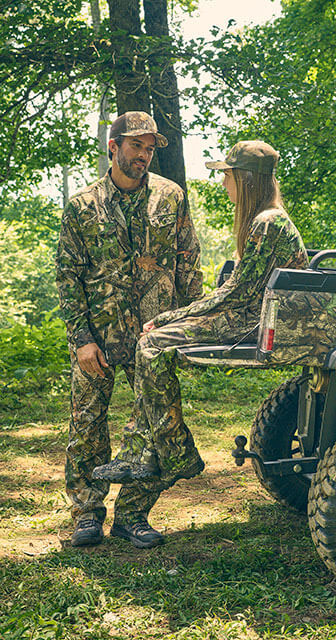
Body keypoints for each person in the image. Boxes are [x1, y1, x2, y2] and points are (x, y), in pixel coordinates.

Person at [93, 141, 308, 520]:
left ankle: (176, 452)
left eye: (226, 175)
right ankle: (139, 452)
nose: (223, 182)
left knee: (152, 344)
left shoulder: (266, 222)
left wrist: (169, 317)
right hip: (250, 314)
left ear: (245, 180)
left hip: (252, 321)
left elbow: (235, 293)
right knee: (151, 346)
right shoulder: (267, 219)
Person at [56, 111, 203, 549]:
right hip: (98, 336)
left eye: (151, 147)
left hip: (154, 338)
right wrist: (82, 339)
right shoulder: (83, 205)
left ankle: (133, 514)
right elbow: (68, 275)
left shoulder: (171, 197)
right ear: (113, 147)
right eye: (136, 145)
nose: (144, 155)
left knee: (154, 424)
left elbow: (188, 260)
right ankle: (86, 512)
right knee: (87, 425)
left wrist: (189, 323)